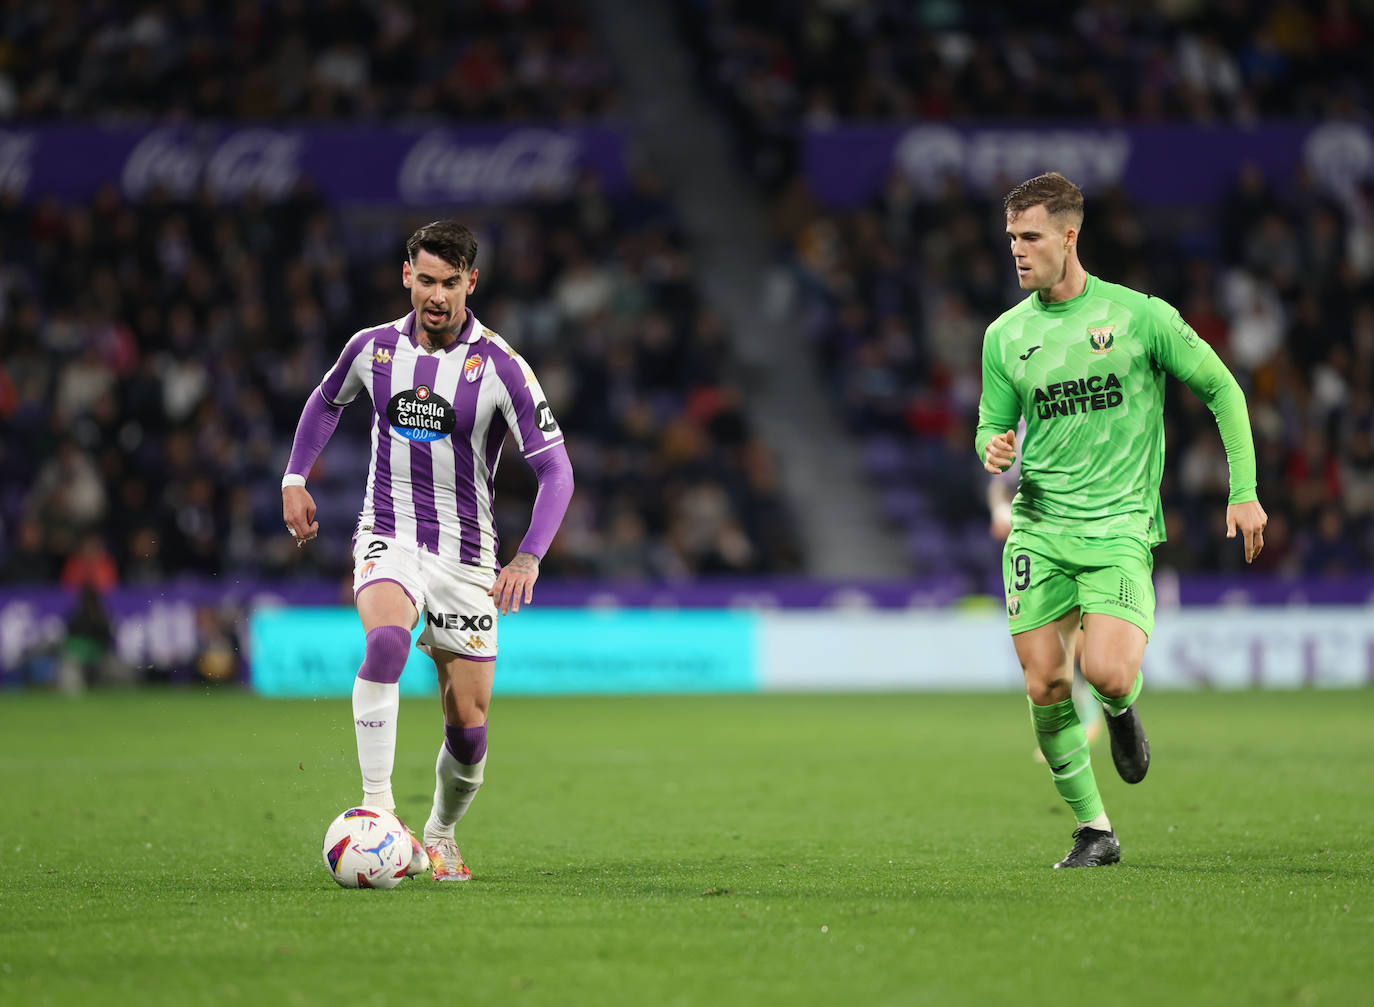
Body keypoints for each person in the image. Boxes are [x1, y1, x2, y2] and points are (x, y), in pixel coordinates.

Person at [976, 173, 1266, 869]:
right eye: (1011, 238)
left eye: (1031, 237)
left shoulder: (1139, 318)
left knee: (1104, 671)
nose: (1017, 251)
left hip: (1117, 529)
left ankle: (1121, 708)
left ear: (1069, 236)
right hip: (1039, 528)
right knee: (1045, 683)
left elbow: (1222, 388)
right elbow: (992, 421)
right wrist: (992, 443)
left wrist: (1244, 490)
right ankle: (1093, 829)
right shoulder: (1003, 336)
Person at [282, 220, 574, 882]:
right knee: (385, 642)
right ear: (405, 275)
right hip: (389, 531)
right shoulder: (373, 348)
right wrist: (294, 476)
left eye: (449, 283)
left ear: (470, 282)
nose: (435, 295)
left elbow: (558, 472)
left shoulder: (501, 366)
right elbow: (326, 401)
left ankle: (439, 832)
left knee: (468, 730)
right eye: (425, 280)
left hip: (467, 558)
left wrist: (527, 556)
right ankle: (379, 811)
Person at [986, 445, 1103, 761]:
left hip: (1079, 541)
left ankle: (1096, 713)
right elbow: (1000, 483)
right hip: (1034, 551)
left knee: (1076, 642)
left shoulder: (1072, 422)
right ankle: (1084, 718)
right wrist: (1000, 511)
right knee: (1047, 645)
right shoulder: (1021, 428)